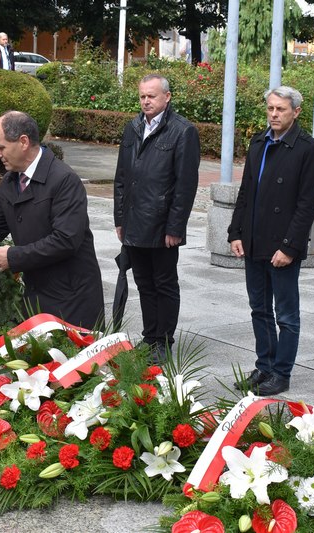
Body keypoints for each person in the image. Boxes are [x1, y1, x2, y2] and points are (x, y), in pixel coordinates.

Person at [0, 111, 104, 329]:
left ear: (23, 142)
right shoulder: (9, 183)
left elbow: (66, 239)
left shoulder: (64, 180)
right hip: (37, 295)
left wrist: (14, 256)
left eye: (1, 147)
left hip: (72, 299)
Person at [227, 86, 314, 396]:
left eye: (280, 109)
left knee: (286, 315)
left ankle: (281, 373)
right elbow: (246, 193)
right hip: (254, 240)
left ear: (296, 111)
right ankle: (264, 366)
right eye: (270, 108)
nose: (274, 114)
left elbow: (306, 205)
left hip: (282, 245)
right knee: (259, 309)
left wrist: (289, 247)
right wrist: (235, 232)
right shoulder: (258, 142)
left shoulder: (308, 149)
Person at [113, 74, 200, 362]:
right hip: (134, 221)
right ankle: (149, 337)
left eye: (151, 96)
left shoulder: (183, 131)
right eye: (142, 96)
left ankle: (163, 341)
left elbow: (185, 185)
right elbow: (121, 177)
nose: (146, 101)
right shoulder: (133, 127)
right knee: (143, 282)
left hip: (162, 225)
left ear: (167, 97)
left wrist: (175, 226)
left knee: (164, 283)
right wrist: (120, 219)